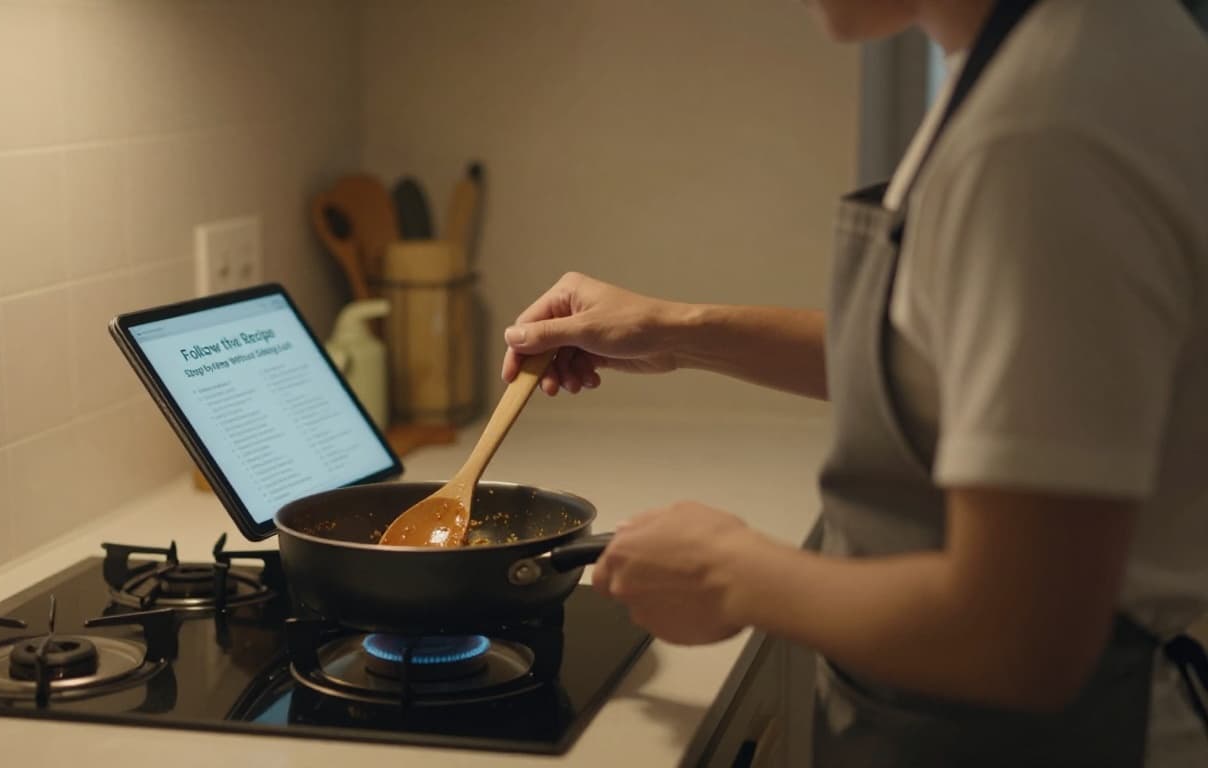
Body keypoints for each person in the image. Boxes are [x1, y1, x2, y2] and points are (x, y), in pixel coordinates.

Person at [500, 0, 1208, 765]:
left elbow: (1021, 634)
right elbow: (958, 366)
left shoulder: (1043, 131)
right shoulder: (1074, 49)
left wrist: (733, 573)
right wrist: (678, 328)